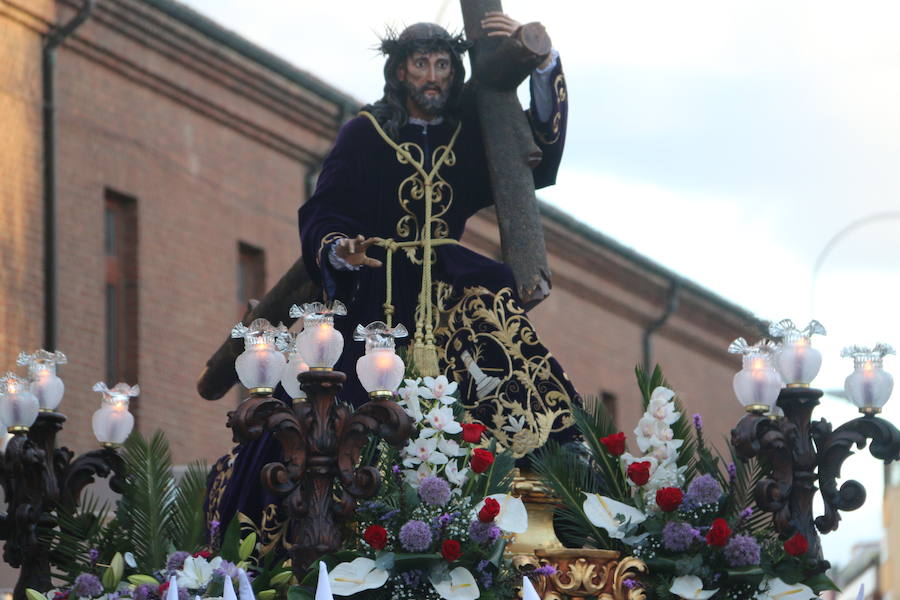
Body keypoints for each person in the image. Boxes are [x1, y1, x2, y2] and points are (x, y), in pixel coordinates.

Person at [298, 14, 578, 458]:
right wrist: (338, 247)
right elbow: (324, 207)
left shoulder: (468, 135)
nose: (433, 78)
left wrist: (542, 62)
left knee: (494, 307)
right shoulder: (365, 134)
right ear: (399, 72)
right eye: (422, 65)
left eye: (443, 66)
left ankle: (551, 450)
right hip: (380, 285)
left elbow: (535, 150)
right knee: (334, 409)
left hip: (449, 282)